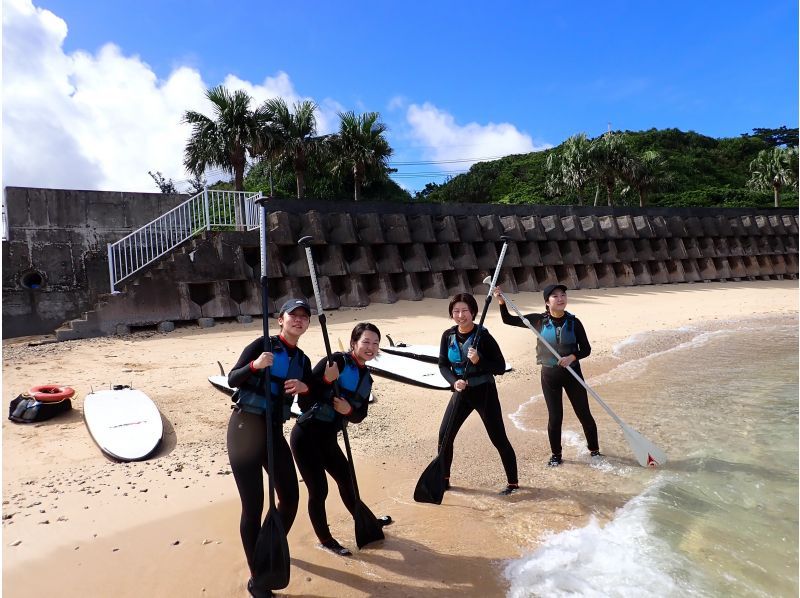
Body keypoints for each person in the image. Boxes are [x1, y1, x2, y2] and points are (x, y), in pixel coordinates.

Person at [226, 298, 315, 597]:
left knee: (289, 497)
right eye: (294, 315)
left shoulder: (302, 361)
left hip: (273, 432)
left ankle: (269, 546)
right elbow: (233, 378)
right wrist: (256, 365)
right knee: (252, 505)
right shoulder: (262, 344)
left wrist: (306, 388)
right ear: (281, 319)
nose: (299, 320)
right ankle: (258, 576)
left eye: (305, 317)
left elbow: (306, 404)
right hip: (245, 428)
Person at [290, 322, 392, 556]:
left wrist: (347, 410)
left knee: (348, 484)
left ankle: (366, 520)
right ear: (353, 343)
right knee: (319, 491)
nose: (370, 347)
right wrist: (326, 381)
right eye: (365, 342)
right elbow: (304, 400)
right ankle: (326, 540)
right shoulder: (335, 361)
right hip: (306, 437)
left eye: (375, 343)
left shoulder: (367, 377)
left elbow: (360, 415)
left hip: (327, 439)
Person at [494, 284, 600, 467]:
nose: (560, 298)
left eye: (563, 295)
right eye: (555, 296)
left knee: (584, 414)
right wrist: (502, 302)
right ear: (546, 302)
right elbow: (508, 320)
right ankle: (556, 455)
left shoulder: (574, 322)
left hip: (573, 373)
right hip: (550, 376)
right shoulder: (538, 321)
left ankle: (595, 451)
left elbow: (587, 349)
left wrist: (572, 357)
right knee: (555, 416)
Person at [436, 293, 519, 495]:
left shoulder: (484, 337)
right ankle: (444, 479)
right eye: (456, 311)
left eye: (465, 310)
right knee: (444, 436)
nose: (460, 315)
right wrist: (454, 382)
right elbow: (443, 364)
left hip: (485, 392)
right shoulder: (448, 336)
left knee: (498, 438)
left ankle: (513, 484)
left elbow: (500, 366)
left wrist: (479, 360)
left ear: (473, 312)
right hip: (462, 393)